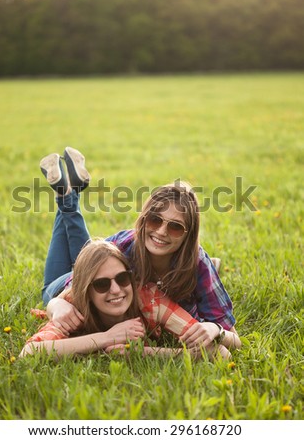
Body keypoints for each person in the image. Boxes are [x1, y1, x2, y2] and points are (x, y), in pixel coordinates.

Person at [38, 147, 241, 355]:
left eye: (175, 227)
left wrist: (215, 329)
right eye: (155, 219)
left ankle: (66, 195)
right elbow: (82, 277)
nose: (161, 232)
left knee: (85, 247)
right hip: (71, 283)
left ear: (188, 236)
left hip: (114, 289)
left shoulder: (197, 263)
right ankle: (66, 196)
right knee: (54, 284)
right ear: (144, 220)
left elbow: (233, 338)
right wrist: (55, 304)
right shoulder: (126, 244)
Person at [20, 239, 231, 358]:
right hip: (62, 283)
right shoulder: (73, 306)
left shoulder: (149, 299)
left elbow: (220, 353)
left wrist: (144, 353)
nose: (116, 290)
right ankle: (66, 196)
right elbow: (29, 353)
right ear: (86, 290)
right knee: (49, 288)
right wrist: (107, 338)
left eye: (122, 278)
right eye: (101, 284)